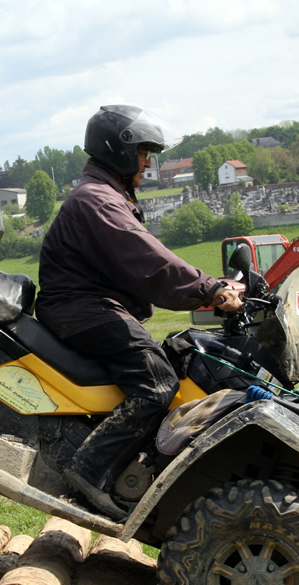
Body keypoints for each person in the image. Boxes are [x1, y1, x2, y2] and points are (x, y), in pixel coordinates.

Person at [35, 105, 242, 520]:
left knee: (176, 357)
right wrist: (210, 289)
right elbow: (148, 260)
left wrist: (216, 284)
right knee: (158, 382)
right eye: (144, 153)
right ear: (120, 151)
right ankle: (88, 471)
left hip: (88, 305)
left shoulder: (108, 195)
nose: (148, 162)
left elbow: (147, 260)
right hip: (80, 309)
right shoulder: (98, 200)